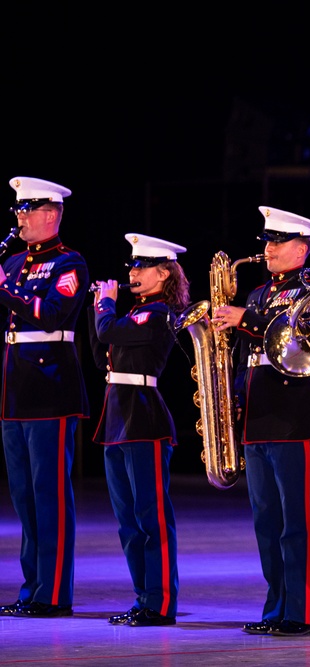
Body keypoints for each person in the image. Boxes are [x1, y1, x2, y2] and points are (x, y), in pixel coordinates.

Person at [212, 206, 310, 637]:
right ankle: (276, 606)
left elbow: (298, 333)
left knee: (295, 519)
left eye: (278, 242)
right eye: (267, 241)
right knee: (266, 519)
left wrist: (246, 317)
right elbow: (251, 355)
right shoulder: (260, 292)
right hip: (258, 415)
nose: (269, 249)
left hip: (294, 416)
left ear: (302, 248)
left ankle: (301, 611)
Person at [88, 233, 190, 627]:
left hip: (144, 417)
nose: (133, 272)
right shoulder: (132, 313)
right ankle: (143, 598)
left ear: (165, 272)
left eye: (142, 266)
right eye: (133, 265)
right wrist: (96, 306)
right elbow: (101, 354)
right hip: (117, 417)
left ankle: (161, 604)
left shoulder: (159, 313)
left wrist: (106, 308)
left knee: (151, 515)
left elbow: (109, 332)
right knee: (127, 519)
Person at [0, 177, 89, 618]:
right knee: (23, 497)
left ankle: (53, 594)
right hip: (15, 392)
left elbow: (53, 311)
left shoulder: (68, 263)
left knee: (48, 493)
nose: (19, 217)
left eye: (27, 210)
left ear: (51, 214)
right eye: (18, 210)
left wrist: (4, 290)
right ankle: (31, 588)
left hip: (50, 388)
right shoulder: (15, 263)